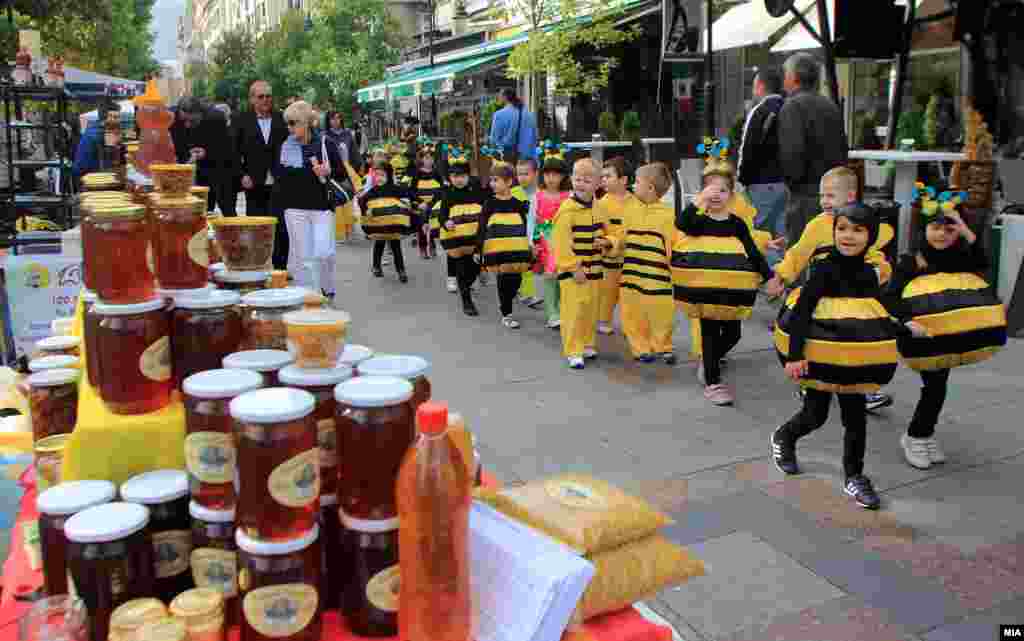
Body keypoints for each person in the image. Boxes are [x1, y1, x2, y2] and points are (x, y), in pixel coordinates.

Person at [771, 203, 927, 510]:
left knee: (855, 420)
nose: (848, 236)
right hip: (820, 354)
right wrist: (794, 356)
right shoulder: (824, 269)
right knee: (815, 415)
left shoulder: (869, 272)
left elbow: (878, 307)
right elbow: (802, 312)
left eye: (858, 230)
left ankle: (854, 476)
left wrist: (906, 325)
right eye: (842, 228)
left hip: (854, 358)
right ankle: (783, 438)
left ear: (870, 236)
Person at [883, 194, 1006, 469]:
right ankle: (915, 436)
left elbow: (983, 262)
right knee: (935, 388)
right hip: (920, 337)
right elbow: (889, 298)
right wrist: (906, 322)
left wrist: (964, 228)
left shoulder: (960, 258)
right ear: (923, 229)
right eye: (935, 227)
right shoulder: (910, 261)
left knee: (936, 388)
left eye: (949, 229)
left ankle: (923, 435)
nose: (941, 234)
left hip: (946, 338)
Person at [764, 166, 896, 411]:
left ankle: (864, 389)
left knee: (858, 342)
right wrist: (780, 275)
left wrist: (879, 273)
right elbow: (798, 253)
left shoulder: (862, 222)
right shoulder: (817, 225)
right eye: (822, 195)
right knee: (817, 338)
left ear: (850, 196)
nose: (824, 201)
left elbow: (876, 255)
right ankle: (811, 381)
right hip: (822, 296)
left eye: (830, 195)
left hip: (856, 299)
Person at [672, 156, 774, 405]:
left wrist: (769, 277)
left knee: (732, 335)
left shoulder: (737, 224)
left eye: (722, 190)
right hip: (705, 292)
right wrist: (699, 202)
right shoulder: (698, 222)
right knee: (708, 333)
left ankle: (708, 363)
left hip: (730, 293)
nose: (716, 194)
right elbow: (682, 223)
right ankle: (713, 382)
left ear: (731, 194)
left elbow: (752, 252)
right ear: (701, 192)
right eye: (710, 189)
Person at [271, 101, 342, 298]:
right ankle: (309, 297)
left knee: (324, 252)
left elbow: (341, 172)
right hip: (294, 207)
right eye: (288, 123)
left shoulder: (325, 143)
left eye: (293, 123)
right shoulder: (286, 146)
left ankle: (327, 286)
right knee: (303, 256)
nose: (289, 127)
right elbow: (278, 175)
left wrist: (328, 171)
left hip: (321, 206)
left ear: (306, 123)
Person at [778, 53, 849, 249]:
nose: (783, 80)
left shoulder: (792, 106)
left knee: (801, 255)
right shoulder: (829, 105)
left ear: (793, 78)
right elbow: (843, 147)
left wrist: (792, 183)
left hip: (805, 196)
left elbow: (792, 154)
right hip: (833, 193)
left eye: (785, 75)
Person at [609, 162, 676, 364]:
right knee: (632, 314)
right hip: (632, 275)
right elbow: (621, 236)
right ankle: (640, 348)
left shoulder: (668, 215)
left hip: (659, 277)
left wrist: (678, 273)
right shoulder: (630, 210)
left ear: (650, 188)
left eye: (637, 182)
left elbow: (674, 245)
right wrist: (610, 242)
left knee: (661, 313)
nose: (633, 185)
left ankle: (662, 345)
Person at [554, 158, 606, 370]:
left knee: (590, 310)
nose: (580, 183)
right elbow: (561, 243)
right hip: (574, 273)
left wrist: (608, 242)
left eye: (586, 179)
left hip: (595, 269)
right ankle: (573, 350)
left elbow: (609, 231)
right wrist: (573, 267)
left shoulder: (599, 207)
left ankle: (586, 344)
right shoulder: (567, 210)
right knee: (573, 312)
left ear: (596, 184)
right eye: (577, 179)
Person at [738, 67, 787, 266]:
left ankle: (771, 276)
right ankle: (785, 273)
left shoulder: (759, 110)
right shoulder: (788, 107)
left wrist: (741, 179)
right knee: (781, 231)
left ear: (759, 86)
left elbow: (747, 147)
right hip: (785, 183)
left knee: (757, 231)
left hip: (761, 182)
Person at [477, 162, 532, 329]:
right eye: (491, 180)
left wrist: (529, 245)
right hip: (498, 251)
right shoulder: (489, 204)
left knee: (516, 280)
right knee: (503, 280)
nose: (492, 184)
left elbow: (525, 227)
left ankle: (510, 297)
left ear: (509, 182)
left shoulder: (517, 204)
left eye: (496, 180)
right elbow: (482, 227)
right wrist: (478, 249)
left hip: (517, 250)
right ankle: (506, 313)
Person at [439, 148, 489, 316]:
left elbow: (485, 209)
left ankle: (468, 283)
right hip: (457, 241)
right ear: (450, 178)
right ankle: (466, 301)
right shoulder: (448, 195)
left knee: (473, 268)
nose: (458, 180)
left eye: (461, 176)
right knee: (461, 269)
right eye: (454, 176)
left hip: (475, 241)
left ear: (468, 176)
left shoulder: (476, 191)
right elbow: (442, 215)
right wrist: (446, 222)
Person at [170, 97, 235, 215]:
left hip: (219, 170)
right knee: (200, 212)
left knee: (228, 209)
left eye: (192, 121)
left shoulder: (216, 118)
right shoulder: (174, 119)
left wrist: (207, 153)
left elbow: (227, 149)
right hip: (193, 172)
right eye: (184, 120)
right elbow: (177, 147)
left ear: (201, 114)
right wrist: (186, 160)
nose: (187, 125)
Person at [235, 81, 288, 220]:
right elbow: (232, 152)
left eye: (268, 96)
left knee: (279, 226)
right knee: (257, 226)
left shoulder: (282, 119)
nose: (265, 100)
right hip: (253, 182)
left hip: (279, 182)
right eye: (261, 96)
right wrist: (242, 175)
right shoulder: (241, 120)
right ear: (252, 99)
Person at [596, 157, 634, 336]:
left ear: (623, 179)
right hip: (609, 258)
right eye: (602, 176)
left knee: (629, 295)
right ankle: (604, 319)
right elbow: (598, 229)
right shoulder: (601, 203)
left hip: (631, 259)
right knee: (607, 292)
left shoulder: (636, 202)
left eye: (608, 176)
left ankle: (630, 324)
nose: (603, 180)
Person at [533, 154, 571, 329]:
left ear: (563, 176)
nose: (551, 178)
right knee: (549, 276)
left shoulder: (569, 196)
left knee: (562, 276)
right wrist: (532, 242)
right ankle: (552, 313)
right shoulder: (538, 196)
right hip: (544, 240)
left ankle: (563, 311)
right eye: (547, 174)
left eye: (555, 174)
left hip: (564, 239)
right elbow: (532, 220)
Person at [360, 160, 413, 283]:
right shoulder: (373, 191)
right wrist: (366, 211)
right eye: (377, 175)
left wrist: (409, 203)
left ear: (388, 175)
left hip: (393, 225)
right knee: (379, 244)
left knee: (396, 247)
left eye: (382, 175)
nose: (379, 178)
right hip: (379, 225)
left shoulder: (394, 189)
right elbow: (362, 201)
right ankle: (376, 266)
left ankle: (401, 270)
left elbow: (407, 195)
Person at [408, 146, 445, 261]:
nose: (429, 160)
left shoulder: (436, 173)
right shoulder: (417, 174)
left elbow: (442, 188)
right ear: (422, 160)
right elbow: (411, 191)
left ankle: (432, 245)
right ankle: (423, 247)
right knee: (422, 223)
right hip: (421, 204)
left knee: (433, 223)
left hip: (434, 204)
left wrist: (434, 202)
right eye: (426, 158)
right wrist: (419, 202)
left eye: (431, 158)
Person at [513, 158, 541, 307]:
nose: (522, 177)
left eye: (526, 173)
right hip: (515, 235)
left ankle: (526, 293)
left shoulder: (541, 194)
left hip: (534, 235)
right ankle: (522, 292)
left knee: (527, 265)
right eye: (519, 174)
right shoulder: (512, 193)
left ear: (536, 174)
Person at [488, 89, 537, 166]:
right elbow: (534, 136)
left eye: (499, 96)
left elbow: (494, 139)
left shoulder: (499, 115)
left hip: (506, 158)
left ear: (504, 97)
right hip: (527, 158)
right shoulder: (529, 114)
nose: (498, 98)